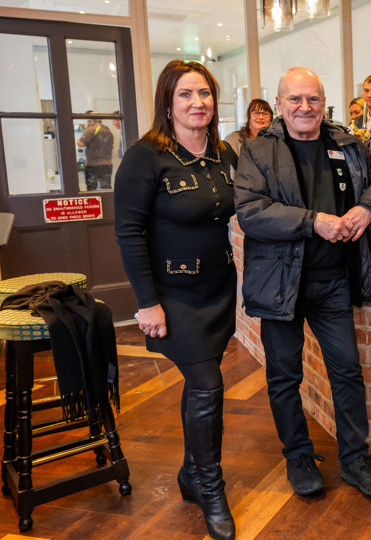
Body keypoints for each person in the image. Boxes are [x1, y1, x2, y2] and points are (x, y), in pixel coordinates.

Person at [234, 67, 371, 499]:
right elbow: (251, 211)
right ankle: (298, 456)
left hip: (332, 282)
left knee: (347, 371)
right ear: (279, 103)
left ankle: (354, 458)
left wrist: (367, 209)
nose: (305, 108)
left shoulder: (346, 143)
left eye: (313, 99)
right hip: (278, 284)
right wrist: (315, 222)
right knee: (284, 377)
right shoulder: (257, 151)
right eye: (295, 100)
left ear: (322, 102)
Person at [114, 60, 238, 540]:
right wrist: (147, 303)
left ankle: (191, 472)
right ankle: (210, 488)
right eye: (185, 94)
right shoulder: (145, 157)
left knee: (200, 382)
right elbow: (128, 233)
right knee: (208, 383)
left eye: (204, 93)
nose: (197, 103)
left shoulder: (223, 153)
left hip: (218, 290)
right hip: (173, 294)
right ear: (168, 102)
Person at [78, 113, 115, 190]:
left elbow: (80, 144)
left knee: (92, 189)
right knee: (106, 188)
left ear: (91, 121)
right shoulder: (107, 129)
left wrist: (85, 131)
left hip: (93, 165)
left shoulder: (91, 129)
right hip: (107, 164)